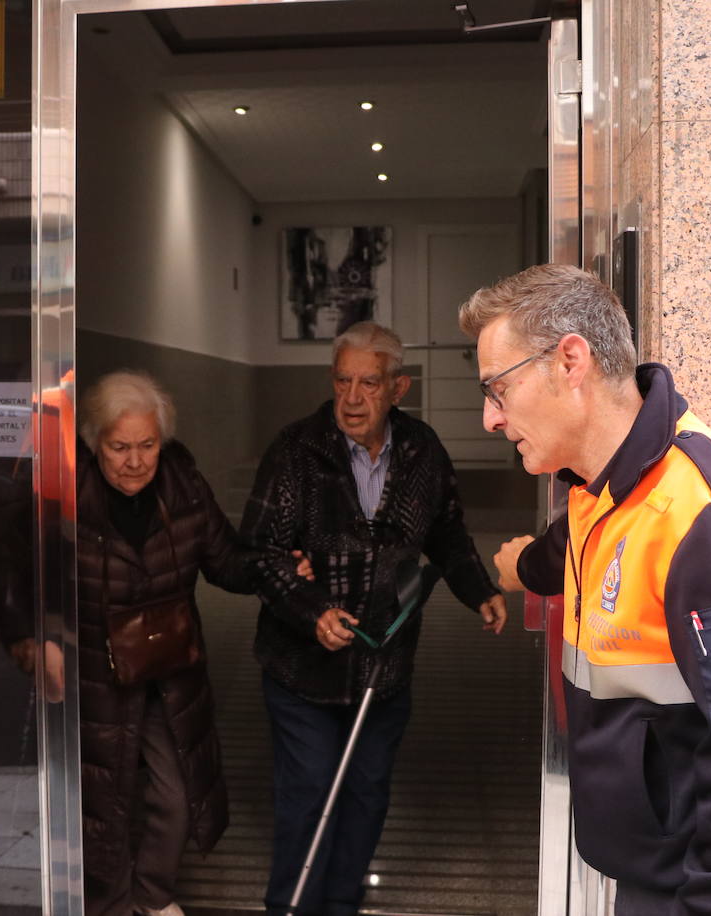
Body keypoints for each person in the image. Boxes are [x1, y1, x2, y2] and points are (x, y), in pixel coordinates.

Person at [463, 264, 711, 915]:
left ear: (570, 361)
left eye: (498, 389)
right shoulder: (600, 491)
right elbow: (564, 555)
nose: (489, 419)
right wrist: (520, 567)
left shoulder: (709, 518)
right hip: (660, 877)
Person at [241, 321, 507, 916]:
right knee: (308, 793)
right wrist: (310, 611)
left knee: (365, 793)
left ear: (398, 389)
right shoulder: (295, 451)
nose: (352, 398)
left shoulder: (422, 451)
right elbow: (257, 552)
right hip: (301, 669)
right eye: (342, 381)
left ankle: (341, 902)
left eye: (368, 383)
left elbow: (447, 533)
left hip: (382, 668)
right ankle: (292, 906)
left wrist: (478, 589)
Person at [74, 371, 307, 916]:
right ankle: (106, 904)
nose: (135, 461)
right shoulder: (67, 491)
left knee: (177, 795)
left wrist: (280, 569)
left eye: (148, 445)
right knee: (99, 805)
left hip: (167, 666)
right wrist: (29, 641)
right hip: (92, 674)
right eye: (119, 447)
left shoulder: (183, 484)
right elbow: (15, 572)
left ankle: (152, 896)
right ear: (94, 443)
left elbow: (226, 561)